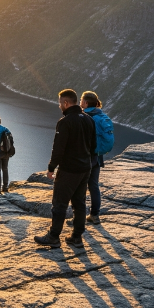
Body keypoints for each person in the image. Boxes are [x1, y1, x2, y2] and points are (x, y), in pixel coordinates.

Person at [34, 89, 96, 249]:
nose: (59, 105)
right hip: (85, 168)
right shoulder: (89, 119)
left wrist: (51, 168)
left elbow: (58, 149)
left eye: (60, 102)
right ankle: (76, 237)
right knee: (79, 202)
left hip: (69, 170)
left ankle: (54, 237)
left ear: (66, 103)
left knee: (60, 203)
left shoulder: (65, 122)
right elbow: (94, 145)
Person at [81, 91, 114, 225]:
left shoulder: (84, 117)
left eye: (81, 100)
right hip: (98, 157)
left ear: (86, 103)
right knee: (94, 186)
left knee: (80, 187)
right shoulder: (101, 115)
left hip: (85, 157)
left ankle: (79, 217)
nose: (80, 102)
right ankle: (95, 215)